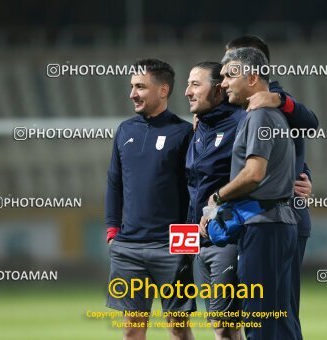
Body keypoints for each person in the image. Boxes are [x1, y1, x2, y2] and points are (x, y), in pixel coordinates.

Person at [226, 35, 318, 339]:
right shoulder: (236, 105)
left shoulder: (273, 101)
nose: (225, 71)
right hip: (250, 218)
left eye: (234, 63)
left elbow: (310, 123)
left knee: (272, 314)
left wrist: (280, 100)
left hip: (274, 216)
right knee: (264, 314)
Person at [210, 47, 298, 339]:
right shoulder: (266, 114)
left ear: (252, 78)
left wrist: (218, 197)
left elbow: (254, 174)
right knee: (279, 318)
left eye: (229, 76)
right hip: (274, 225)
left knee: (261, 322)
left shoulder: (260, 116)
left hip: (264, 227)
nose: (222, 83)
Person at [105, 58, 195, 340]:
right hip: (129, 247)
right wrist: (112, 231)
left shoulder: (184, 133)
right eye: (132, 86)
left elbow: (196, 189)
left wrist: (188, 241)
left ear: (163, 89)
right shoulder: (125, 131)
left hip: (173, 247)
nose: (133, 93)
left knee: (178, 328)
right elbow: (114, 183)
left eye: (140, 87)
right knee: (132, 329)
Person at [184, 61, 245, 340]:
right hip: (198, 241)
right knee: (220, 326)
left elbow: (277, 150)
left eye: (196, 84)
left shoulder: (242, 122)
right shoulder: (200, 128)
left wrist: (302, 174)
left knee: (226, 325)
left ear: (219, 89)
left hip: (227, 238)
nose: (187, 91)